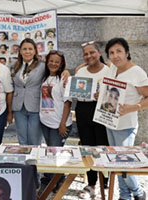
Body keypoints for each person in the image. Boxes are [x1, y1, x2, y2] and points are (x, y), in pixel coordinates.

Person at [104, 37, 148, 200]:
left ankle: (138, 193)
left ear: (127, 52)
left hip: (126, 125)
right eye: (111, 53)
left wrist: (132, 107)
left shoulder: (137, 72)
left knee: (124, 164)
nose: (115, 56)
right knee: (118, 163)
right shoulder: (112, 69)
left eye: (119, 51)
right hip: (110, 123)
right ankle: (124, 195)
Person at [75, 41, 110, 199]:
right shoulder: (81, 71)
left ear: (99, 52)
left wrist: (102, 97)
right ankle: (91, 184)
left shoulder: (109, 71)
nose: (89, 56)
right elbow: (75, 92)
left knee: (102, 147)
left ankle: (106, 182)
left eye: (92, 52)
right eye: (85, 54)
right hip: (83, 110)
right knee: (88, 148)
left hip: (102, 111)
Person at [38, 50, 72, 195]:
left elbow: (68, 103)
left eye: (57, 62)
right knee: (51, 152)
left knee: (55, 153)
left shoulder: (64, 79)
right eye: (51, 61)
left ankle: (56, 181)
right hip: (45, 122)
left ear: (61, 64)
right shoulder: (45, 77)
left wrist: (63, 123)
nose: (53, 64)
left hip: (59, 123)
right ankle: (53, 179)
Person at [10, 38, 45, 145]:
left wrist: (66, 72)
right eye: (24, 49)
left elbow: (58, 70)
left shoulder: (43, 66)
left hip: (35, 106)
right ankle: (23, 160)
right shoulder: (14, 65)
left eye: (30, 49)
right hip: (18, 107)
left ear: (35, 51)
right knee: (22, 138)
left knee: (34, 139)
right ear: (20, 51)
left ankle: (34, 160)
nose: (27, 51)